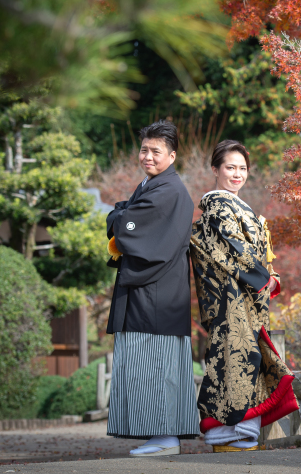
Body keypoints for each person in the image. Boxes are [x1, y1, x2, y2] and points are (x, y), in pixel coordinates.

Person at [191, 140, 299, 453]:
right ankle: (230, 436)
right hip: (230, 298)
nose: (237, 174)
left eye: (242, 169)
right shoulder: (217, 207)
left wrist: (269, 276)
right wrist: (265, 279)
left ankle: (237, 437)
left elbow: (254, 252)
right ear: (215, 169)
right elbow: (234, 250)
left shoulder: (235, 206)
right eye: (230, 167)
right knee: (239, 359)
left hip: (242, 297)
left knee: (248, 361)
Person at [104, 120, 199, 457]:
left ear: (171, 156)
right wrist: (122, 214)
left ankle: (165, 435)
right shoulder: (153, 186)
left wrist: (119, 215)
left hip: (157, 295)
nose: (147, 156)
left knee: (157, 363)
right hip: (154, 291)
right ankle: (160, 434)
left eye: (156, 151)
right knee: (151, 363)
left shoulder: (169, 190)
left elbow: (127, 225)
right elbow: (127, 219)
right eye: (144, 149)